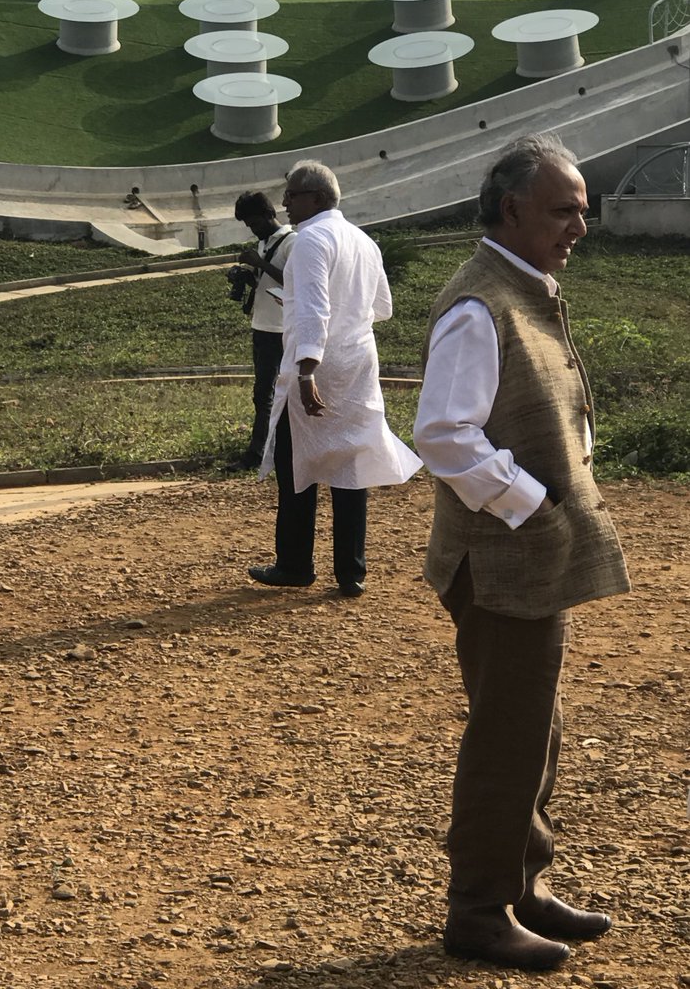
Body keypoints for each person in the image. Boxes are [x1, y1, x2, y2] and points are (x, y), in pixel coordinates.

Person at [413, 133, 631, 972]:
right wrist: (530, 502)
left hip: (524, 558)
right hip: (500, 561)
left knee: (535, 727)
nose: (581, 223)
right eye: (563, 209)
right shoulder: (480, 305)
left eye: (582, 208)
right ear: (510, 210)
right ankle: (476, 910)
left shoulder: (522, 288)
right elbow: (442, 434)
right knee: (506, 735)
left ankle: (521, 886)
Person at [249, 160, 422, 597]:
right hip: (358, 363)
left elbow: (312, 307)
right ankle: (351, 571)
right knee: (351, 465)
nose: (284, 202)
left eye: (292, 194)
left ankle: (294, 563)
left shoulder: (310, 240)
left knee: (295, 464)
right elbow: (382, 306)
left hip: (320, 364)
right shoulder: (363, 240)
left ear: (319, 199)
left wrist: (307, 370)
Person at [227, 191, 297, 472]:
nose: (252, 229)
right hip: (262, 326)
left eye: (254, 223)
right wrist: (247, 276)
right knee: (262, 393)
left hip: (282, 329)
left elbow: (294, 282)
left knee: (276, 394)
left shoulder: (292, 242)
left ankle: (259, 455)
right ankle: (264, 449)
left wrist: (260, 264)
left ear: (270, 214)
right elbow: (267, 283)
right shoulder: (264, 242)